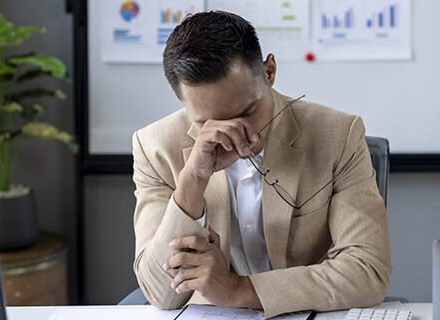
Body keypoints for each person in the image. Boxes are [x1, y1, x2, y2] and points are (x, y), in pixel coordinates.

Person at [131, 11, 391, 317]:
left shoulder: (338, 135)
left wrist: (237, 289)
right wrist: (193, 179)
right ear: (180, 99)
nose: (232, 135)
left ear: (269, 71)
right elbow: (159, 292)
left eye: (247, 111)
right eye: (207, 122)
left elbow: (368, 271)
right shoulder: (156, 147)